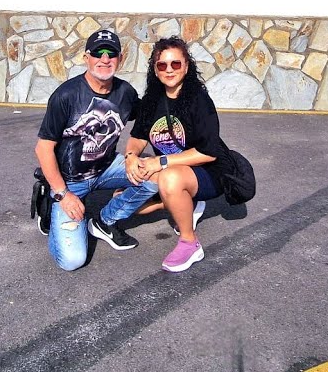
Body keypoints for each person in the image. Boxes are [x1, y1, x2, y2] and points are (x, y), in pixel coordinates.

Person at [34, 29, 158, 271]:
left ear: (120, 59)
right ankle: (48, 199)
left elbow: (148, 119)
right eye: (97, 53)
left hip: (106, 167)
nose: (104, 59)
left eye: (111, 53)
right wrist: (63, 194)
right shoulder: (66, 95)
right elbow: (43, 148)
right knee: (72, 260)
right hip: (70, 182)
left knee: (157, 174)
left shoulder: (125, 93)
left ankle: (105, 220)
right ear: (86, 58)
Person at [125, 36, 230, 272]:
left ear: (186, 66)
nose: (169, 70)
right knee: (123, 197)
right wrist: (131, 156)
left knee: (170, 179)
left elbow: (209, 152)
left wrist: (160, 162)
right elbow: (139, 136)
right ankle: (182, 203)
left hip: (207, 172)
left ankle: (190, 243)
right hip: (168, 169)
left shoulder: (198, 100)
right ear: (155, 69)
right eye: (162, 65)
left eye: (176, 64)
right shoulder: (151, 100)